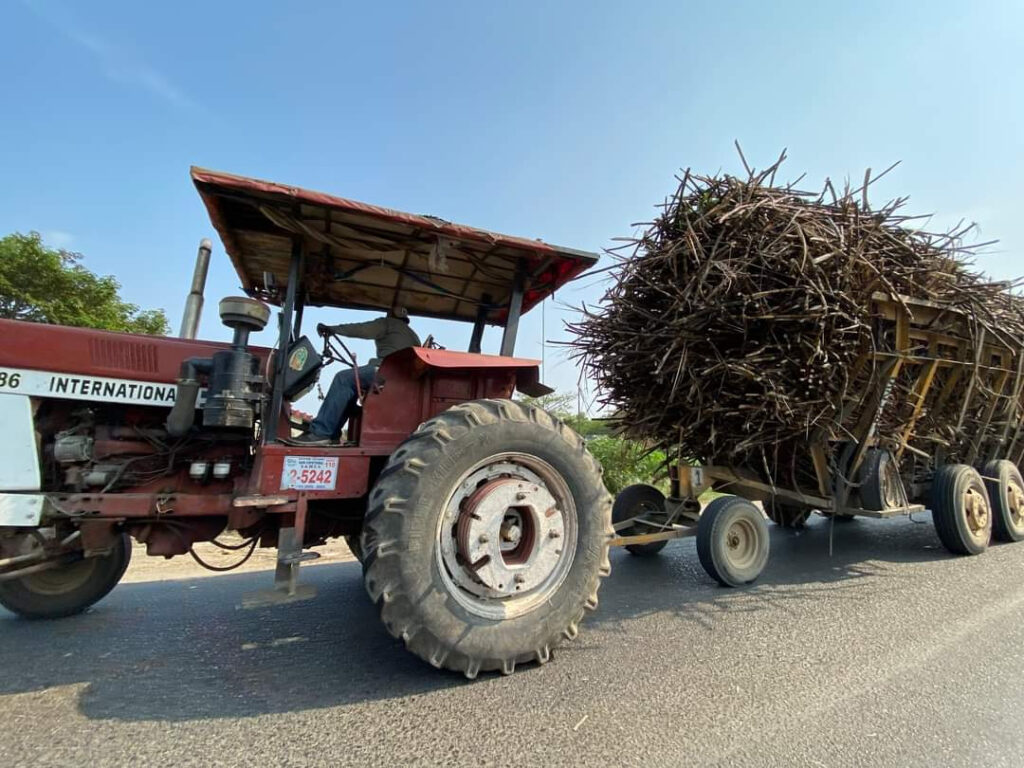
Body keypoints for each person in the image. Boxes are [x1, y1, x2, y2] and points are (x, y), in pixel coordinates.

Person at [294, 307, 421, 444]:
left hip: (384, 372)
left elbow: (362, 329)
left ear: (390, 315)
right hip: (401, 379)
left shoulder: (388, 323)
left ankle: (321, 432)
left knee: (343, 379)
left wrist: (333, 329)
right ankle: (332, 433)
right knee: (352, 383)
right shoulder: (414, 336)